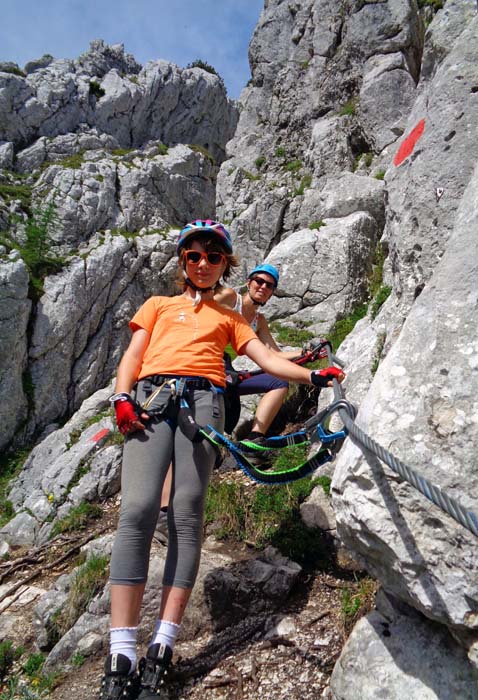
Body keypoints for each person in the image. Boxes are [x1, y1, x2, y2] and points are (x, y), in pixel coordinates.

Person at [99, 220, 345, 699]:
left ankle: (162, 650)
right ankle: (121, 653)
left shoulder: (229, 318)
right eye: (195, 256)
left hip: (204, 406)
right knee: (137, 512)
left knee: (187, 517)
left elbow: (268, 361)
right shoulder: (157, 306)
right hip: (151, 402)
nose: (204, 263)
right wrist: (121, 397)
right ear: (183, 263)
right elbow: (131, 356)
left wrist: (313, 377)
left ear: (224, 265)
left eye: (214, 257)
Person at [214, 263, 302, 464]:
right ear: (248, 282)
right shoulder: (230, 298)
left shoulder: (258, 321)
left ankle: (254, 439)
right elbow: (199, 311)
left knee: (278, 383)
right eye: (259, 281)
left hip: (228, 371)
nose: (263, 287)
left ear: (272, 293)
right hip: (206, 364)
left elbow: (274, 354)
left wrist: (305, 352)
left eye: (269, 285)